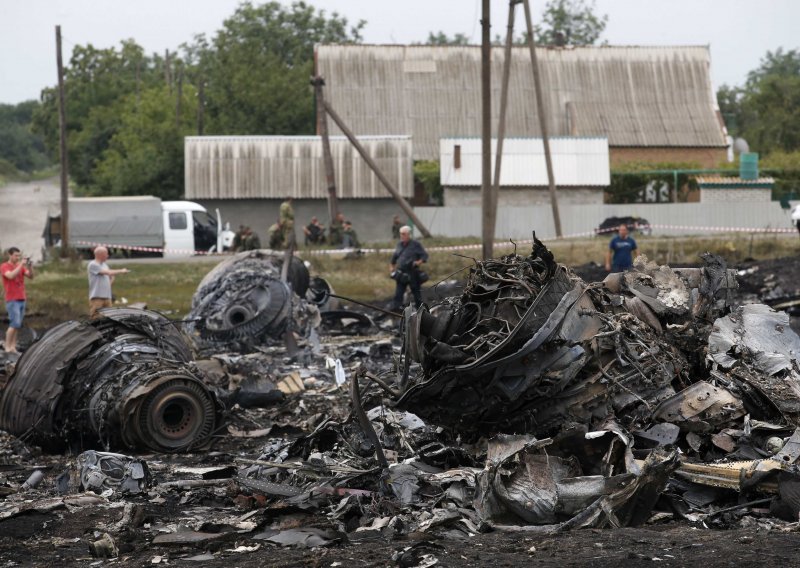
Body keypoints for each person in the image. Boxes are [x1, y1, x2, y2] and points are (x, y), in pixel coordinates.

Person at [2, 247, 34, 353]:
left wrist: (30, 265)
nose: (17, 258)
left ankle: (13, 346)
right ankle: (7, 346)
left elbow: (31, 276)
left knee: (18, 325)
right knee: (14, 323)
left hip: (21, 298)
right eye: (16, 255)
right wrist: (21, 264)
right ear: (10, 255)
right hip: (12, 299)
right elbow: (10, 276)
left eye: (19, 256)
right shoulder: (4, 266)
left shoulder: (19, 266)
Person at [389, 226, 428, 310]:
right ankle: (396, 311)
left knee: (417, 293)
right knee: (398, 293)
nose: (401, 236)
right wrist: (392, 266)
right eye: (400, 234)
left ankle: (421, 311)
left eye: (403, 234)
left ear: (409, 234)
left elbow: (424, 256)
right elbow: (394, 257)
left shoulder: (416, 244)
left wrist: (418, 262)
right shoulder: (399, 244)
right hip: (401, 273)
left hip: (413, 272)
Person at [88, 246, 129, 320]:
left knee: (109, 318)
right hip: (97, 297)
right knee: (95, 317)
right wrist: (121, 271)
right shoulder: (93, 264)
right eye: (106, 254)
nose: (108, 256)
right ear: (101, 255)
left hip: (107, 297)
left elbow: (110, 276)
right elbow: (107, 272)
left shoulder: (105, 265)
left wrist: (111, 280)